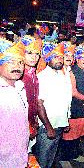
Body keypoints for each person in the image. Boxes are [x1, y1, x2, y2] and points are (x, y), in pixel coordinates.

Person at [35, 42, 72, 168]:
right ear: (48, 58)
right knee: (43, 160)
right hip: (48, 127)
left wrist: (66, 121)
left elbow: (65, 101)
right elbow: (39, 104)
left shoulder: (62, 76)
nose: (60, 60)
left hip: (59, 124)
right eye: (56, 57)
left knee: (51, 157)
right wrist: (48, 127)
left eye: (61, 57)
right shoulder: (42, 77)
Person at [20, 36, 54, 159]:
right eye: (29, 53)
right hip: (20, 126)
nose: (34, 57)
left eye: (37, 54)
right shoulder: (18, 75)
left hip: (31, 123)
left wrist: (33, 123)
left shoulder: (33, 73)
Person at [60, 45, 84, 163]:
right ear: (77, 59)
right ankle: (64, 159)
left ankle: (75, 154)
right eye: (82, 58)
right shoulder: (72, 71)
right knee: (69, 135)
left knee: (78, 133)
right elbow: (73, 92)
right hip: (74, 106)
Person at [0, 39, 29, 167]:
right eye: (11, 62)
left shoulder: (20, 87)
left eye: (20, 62)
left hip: (20, 155)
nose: (17, 66)